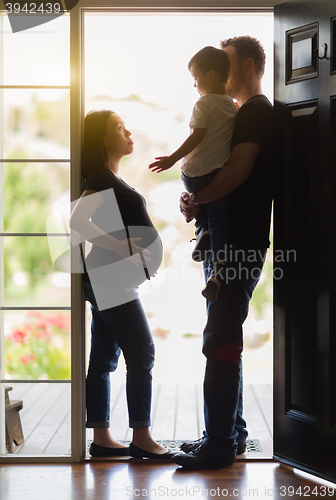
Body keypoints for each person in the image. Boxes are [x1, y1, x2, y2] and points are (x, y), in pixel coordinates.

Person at [172, 36, 275, 469]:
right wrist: (198, 200)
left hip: (238, 246)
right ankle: (230, 437)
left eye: (228, 66)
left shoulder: (255, 111)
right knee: (226, 337)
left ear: (248, 66)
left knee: (219, 340)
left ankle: (218, 447)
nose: (220, 74)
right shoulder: (236, 114)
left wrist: (200, 200)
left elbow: (236, 172)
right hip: (227, 242)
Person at [70, 110, 174, 460]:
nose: (128, 132)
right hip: (109, 278)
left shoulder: (109, 177)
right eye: (119, 127)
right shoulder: (100, 176)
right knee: (142, 352)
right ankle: (141, 436)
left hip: (108, 278)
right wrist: (118, 246)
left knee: (103, 358)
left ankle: (102, 438)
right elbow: (77, 219)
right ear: (102, 138)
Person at [149, 46, 236, 302]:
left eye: (195, 78)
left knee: (201, 207)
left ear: (210, 75)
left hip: (196, 175)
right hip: (218, 176)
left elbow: (196, 136)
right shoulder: (232, 107)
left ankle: (202, 233)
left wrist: (172, 159)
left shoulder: (204, 102)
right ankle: (217, 273)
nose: (194, 85)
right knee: (219, 220)